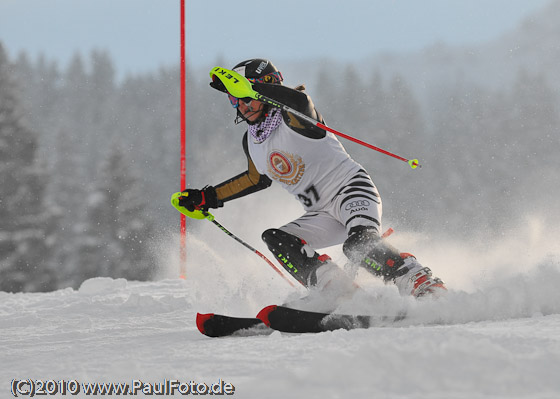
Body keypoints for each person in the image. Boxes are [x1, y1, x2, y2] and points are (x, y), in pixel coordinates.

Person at [177, 58, 445, 298]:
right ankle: (336, 291)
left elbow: (300, 103)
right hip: (321, 214)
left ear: (266, 89)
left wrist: (255, 89)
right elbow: (254, 179)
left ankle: (419, 281)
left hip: (351, 191)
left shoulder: (292, 115)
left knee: (357, 246)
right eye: (234, 100)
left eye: (245, 97)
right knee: (276, 238)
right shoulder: (253, 140)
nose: (242, 106)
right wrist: (207, 197)